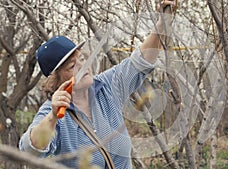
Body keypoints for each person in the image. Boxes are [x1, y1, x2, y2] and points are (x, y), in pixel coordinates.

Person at [19, 1, 177, 168]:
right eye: (73, 66)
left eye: (81, 58)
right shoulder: (53, 112)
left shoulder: (107, 86)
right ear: (56, 79)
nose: (83, 66)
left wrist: (163, 23)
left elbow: (140, 61)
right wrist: (52, 118)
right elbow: (29, 151)